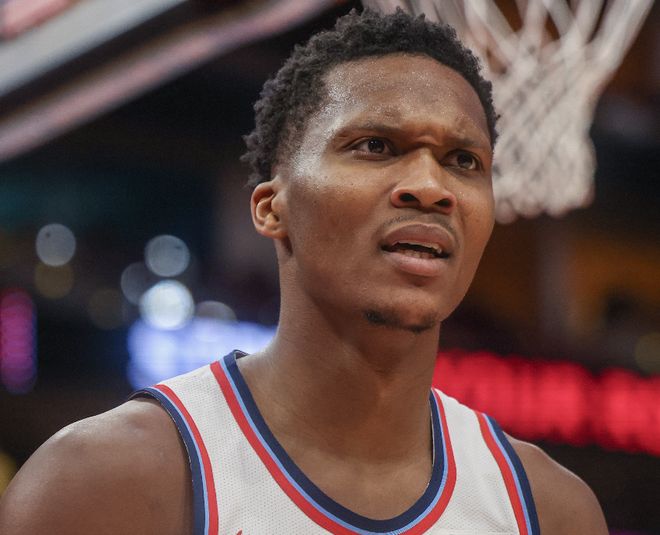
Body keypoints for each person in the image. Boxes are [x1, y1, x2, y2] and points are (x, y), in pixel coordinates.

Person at [0, 9, 607, 534]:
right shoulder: (105, 481)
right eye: (376, 146)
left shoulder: (552, 509)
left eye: (463, 161)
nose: (431, 186)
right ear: (272, 208)